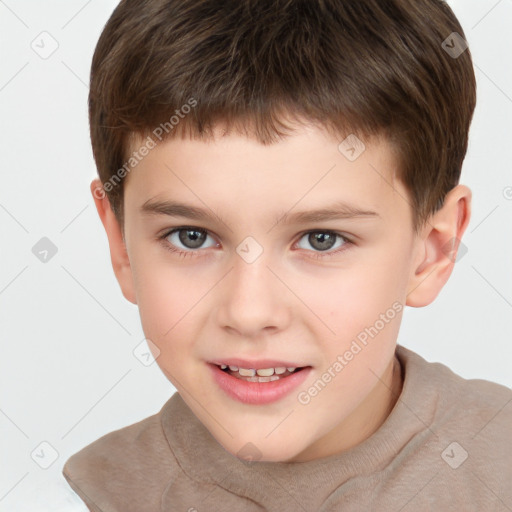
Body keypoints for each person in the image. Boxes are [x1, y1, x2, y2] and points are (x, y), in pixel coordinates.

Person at [62, 0, 512, 510]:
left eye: (322, 239)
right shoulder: (91, 494)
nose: (250, 313)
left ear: (432, 251)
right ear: (121, 245)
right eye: (191, 236)